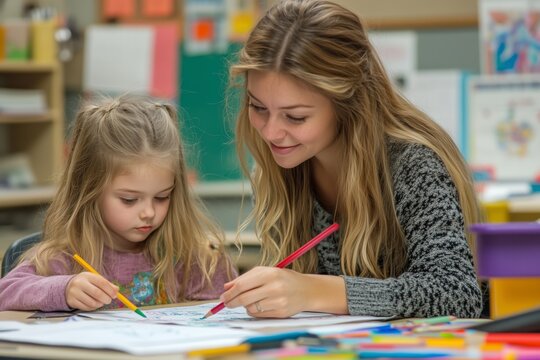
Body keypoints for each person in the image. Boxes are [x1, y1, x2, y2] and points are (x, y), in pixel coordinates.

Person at [221, 0, 483, 319]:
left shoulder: (413, 164)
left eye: (296, 116)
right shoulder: (285, 163)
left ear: (347, 104)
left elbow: (457, 292)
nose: (272, 132)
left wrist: (311, 290)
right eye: (258, 107)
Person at [0, 96, 236, 312]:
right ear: (89, 191)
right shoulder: (63, 258)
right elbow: (5, 293)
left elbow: (225, 315)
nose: (148, 212)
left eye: (162, 197)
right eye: (129, 200)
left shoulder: (196, 259)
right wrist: (64, 289)